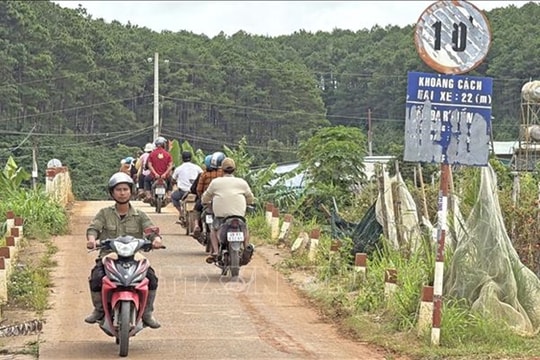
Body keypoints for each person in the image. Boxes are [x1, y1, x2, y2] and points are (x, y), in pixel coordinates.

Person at [85, 172, 163, 328]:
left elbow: (150, 230)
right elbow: (94, 228)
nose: (122, 193)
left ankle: (147, 313)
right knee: (96, 277)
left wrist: (156, 240)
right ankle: (99, 310)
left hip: (134, 256)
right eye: (118, 190)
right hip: (110, 256)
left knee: (152, 278)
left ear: (131, 191)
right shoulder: (104, 213)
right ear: (112, 193)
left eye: (125, 189)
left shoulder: (139, 215)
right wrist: (92, 240)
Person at [201, 157, 255, 263]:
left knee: (213, 230)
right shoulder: (242, 182)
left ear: (222, 169)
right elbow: (250, 198)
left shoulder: (216, 183)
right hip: (239, 216)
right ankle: (246, 248)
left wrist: (205, 202)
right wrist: (248, 203)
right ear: (234, 169)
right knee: (245, 229)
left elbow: (205, 197)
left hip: (221, 217)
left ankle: (216, 252)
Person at [194, 152, 225, 236]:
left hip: (206, 199)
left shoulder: (204, 174)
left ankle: (196, 225)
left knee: (197, 208)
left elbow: (199, 189)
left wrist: (201, 197)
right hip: (220, 199)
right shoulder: (223, 174)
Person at [171, 151, 203, 223]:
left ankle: (181, 212)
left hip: (182, 192)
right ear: (191, 158)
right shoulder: (197, 167)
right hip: (195, 192)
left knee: (173, 196)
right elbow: (202, 175)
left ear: (182, 158)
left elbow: (173, 179)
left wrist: (175, 184)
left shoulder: (179, 168)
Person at [144, 136, 174, 202]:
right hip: (165, 176)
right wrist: (165, 174)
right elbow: (170, 166)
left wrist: (155, 173)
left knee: (146, 180)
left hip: (153, 176)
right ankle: (169, 195)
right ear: (163, 144)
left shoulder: (152, 154)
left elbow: (149, 165)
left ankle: (148, 195)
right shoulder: (167, 154)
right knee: (170, 180)